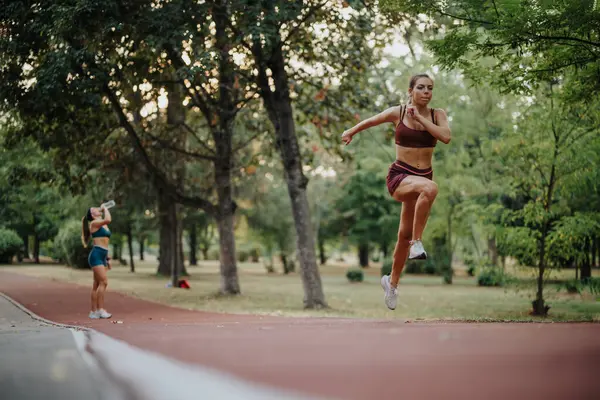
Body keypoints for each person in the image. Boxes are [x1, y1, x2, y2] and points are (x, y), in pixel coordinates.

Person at [341, 73, 451, 310]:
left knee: (402, 235)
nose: (426, 92)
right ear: (411, 90)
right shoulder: (398, 112)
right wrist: (351, 131)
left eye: (430, 88)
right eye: (421, 87)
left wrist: (422, 122)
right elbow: (372, 120)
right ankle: (418, 243)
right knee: (431, 189)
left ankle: (391, 283)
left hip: (421, 179)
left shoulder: (437, 115)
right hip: (401, 176)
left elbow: (445, 137)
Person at [81, 205, 113, 319]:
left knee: (96, 284)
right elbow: (108, 219)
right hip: (96, 256)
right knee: (104, 282)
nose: (96, 208)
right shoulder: (94, 224)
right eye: (93, 209)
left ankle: (93, 312)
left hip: (102, 255)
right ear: (92, 215)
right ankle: (100, 310)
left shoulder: (102, 223)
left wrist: (108, 259)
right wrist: (105, 208)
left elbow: (105, 242)